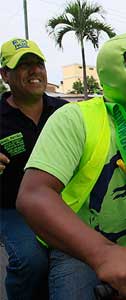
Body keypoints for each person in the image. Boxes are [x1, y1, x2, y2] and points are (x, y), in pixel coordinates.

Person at [16, 33, 126, 300]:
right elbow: (33, 195)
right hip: (79, 250)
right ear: (110, 71)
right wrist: (103, 253)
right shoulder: (74, 119)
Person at [0, 38, 67, 300]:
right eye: (24, 65)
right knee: (31, 260)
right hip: (12, 208)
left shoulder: (64, 112)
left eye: (38, 63)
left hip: (62, 203)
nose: (34, 71)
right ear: (5, 74)